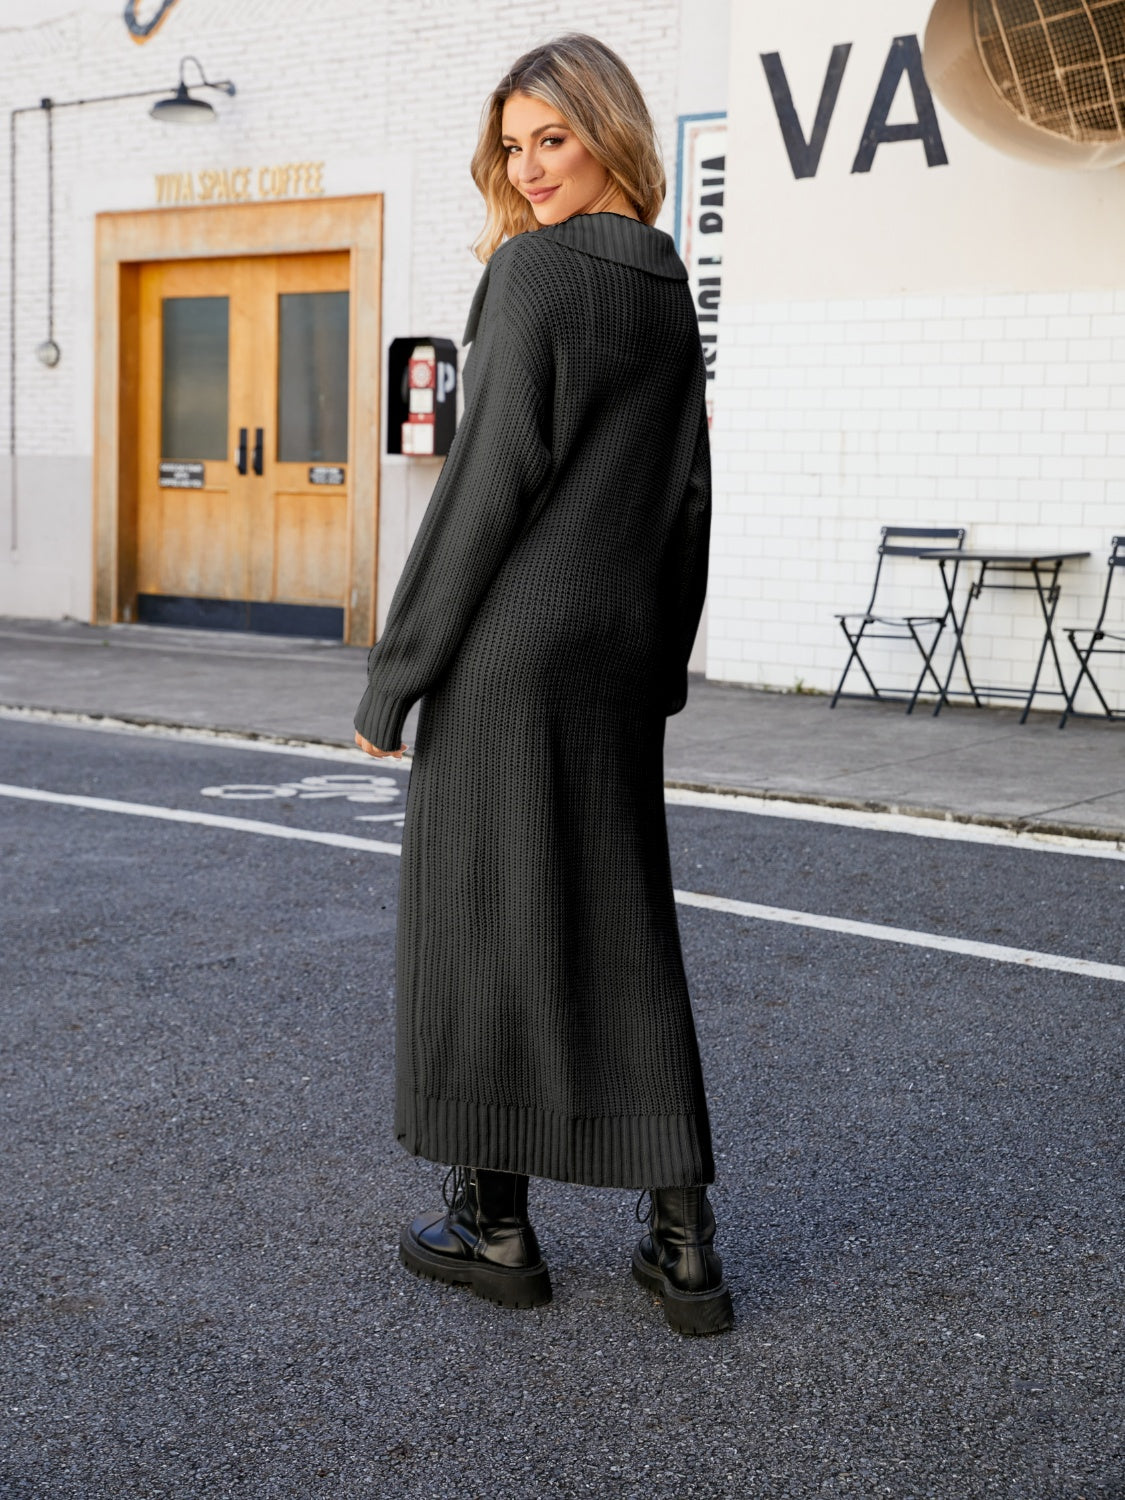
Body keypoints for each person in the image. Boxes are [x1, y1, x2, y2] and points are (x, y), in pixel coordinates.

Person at [353, 32, 731, 1337]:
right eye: (512, 147)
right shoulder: (665, 282)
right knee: (624, 929)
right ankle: (684, 1247)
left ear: (607, 131)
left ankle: (494, 1225)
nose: (526, 169)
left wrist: (397, 674)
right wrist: (659, 664)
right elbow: (688, 497)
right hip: (613, 659)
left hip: (509, 661)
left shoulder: (532, 274)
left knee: (477, 924)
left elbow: (484, 486)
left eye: (551, 138)